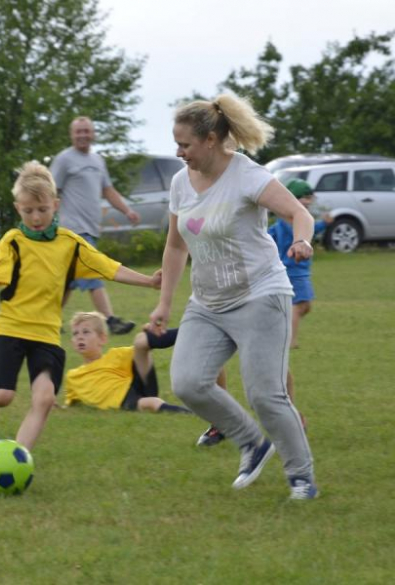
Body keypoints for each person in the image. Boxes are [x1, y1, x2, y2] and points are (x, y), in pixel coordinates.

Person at [148, 93, 319, 500]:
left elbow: (299, 213)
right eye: (177, 144)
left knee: (265, 394)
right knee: (187, 383)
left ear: (210, 140)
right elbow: (175, 247)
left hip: (260, 294)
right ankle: (251, 442)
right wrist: (164, 303)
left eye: (185, 144)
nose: (179, 152)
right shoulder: (179, 182)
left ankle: (301, 476)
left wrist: (302, 241)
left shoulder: (247, 175)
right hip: (207, 304)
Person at [0, 161, 161, 451]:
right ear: (18, 208)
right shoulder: (14, 242)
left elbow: (109, 268)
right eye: (28, 210)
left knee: (44, 399)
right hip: (10, 329)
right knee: (3, 396)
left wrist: (148, 281)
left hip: (46, 335)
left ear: (55, 205)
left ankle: (19, 456)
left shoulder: (71, 244)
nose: (36, 217)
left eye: (42, 210)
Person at [50, 116, 141, 335]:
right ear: (72, 135)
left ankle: (48, 321)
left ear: (93, 134)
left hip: (90, 228)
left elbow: (108, 190)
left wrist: (127, 210)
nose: (83, 135)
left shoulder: (98, 160)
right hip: (71, 229)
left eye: (86, 131)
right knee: (93, 272)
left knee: (69, 280)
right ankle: (110, 320)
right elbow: (51, 191)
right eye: (78, 131)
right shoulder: (64, 160)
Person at [64, 312, 191, 414]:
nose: (80, 337)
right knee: (153, 403)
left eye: (86, 332)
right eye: (75, 334)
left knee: (140, 341)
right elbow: (70, 403)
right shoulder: (73, 376)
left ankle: (194, 330)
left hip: (135, 388)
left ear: (102, 339)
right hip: (122, 401)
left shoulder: (115, 355)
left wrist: (148, 332)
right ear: (72, 342)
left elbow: (142, 351)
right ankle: (193, 414)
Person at [269, 179, 331, 350]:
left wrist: (323, 224)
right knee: (300, 306)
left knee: (303, 307)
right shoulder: (289, 222)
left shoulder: (284, 222)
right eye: (305, 198)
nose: (309, 202)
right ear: (292, 199)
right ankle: (290, 341)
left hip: (294, 271)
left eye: (310, 198)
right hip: (295, 271)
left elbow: (268, 236)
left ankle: (282, 328)